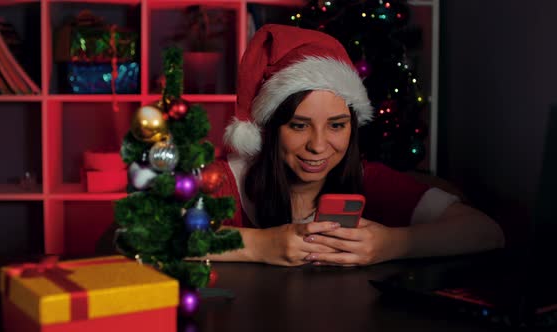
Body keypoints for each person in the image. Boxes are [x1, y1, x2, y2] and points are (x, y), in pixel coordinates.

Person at [201, 24, 505, 267]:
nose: (319, 146)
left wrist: (391, 244)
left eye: (336, 125)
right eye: (299, 125)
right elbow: (155, 234)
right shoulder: (227, 181)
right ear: (269, 131)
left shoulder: (367, 179)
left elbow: (485, 231)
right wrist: (261, 245)